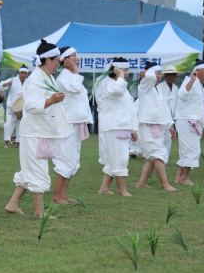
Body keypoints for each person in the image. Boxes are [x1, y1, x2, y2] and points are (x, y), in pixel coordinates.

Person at [5, 40, 72, 217]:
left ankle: (13, 204)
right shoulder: (35, 79)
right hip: (35, 133)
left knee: (29, 170)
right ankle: (39, 213)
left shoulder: (47, 77)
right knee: (39, 171)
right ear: (48, 60)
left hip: (41, 131)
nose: (59, 64)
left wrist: (54, 100)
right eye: (57, 60)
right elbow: (30, 105)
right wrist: (51, 100)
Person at [51, 47, 92, 203]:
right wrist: (75, 69)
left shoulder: (73, 76)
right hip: (66, 124)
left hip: (76, 123)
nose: (78, 58)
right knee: (65, 160)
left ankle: (63, 195)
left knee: (73, 161)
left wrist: (74, 71)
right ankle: (56, 196)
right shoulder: (63, 78)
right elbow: (74, 89)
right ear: (65, 60)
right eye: (74, 56)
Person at [95, 57, 138, 196]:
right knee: (121, 157)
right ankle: (122, 190)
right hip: (113, 126)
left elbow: (130, 109)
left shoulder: (120, 85)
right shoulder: (107, 83)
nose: (126, 73)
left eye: (127, 70)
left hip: (121, 125)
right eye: (123, 70)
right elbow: (116, 92)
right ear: (115, 69)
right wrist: (120, 76)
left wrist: (133, 129)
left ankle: (104, 188)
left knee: (112, 159)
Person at [135, 62, 178, 191]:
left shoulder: (157, 90)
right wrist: (147, 73)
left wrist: (170, 125)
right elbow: (150, 78)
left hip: (157, 126)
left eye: (160, 74)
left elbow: (164, 109)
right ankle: (164, 184)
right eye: (158, 73)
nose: (160, 76)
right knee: (159, 153)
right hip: (147, 126)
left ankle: (141, 183)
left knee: (152, 157)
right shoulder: (144, 86)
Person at [174, 60, 204, 185]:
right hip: (186, 120)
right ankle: (184, 178)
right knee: (192, 150)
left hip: (193, 121)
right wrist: (192, 80)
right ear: (197, 71)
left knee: (187, 149)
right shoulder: (189, 81)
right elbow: (182, 94)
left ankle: (179, 178)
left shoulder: (200, 85)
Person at [1, 66, 29, 147]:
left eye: (25, 73)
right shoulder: (13, 80)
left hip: (22, 106)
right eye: (22, 73)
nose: (23, 75)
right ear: (19, 73)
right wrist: (7, 84)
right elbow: (1, 85)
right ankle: (6, 141)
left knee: (20, 124)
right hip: (12, 105)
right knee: (9, 124)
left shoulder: (28, 82)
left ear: (27, 74)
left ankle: (18, 142)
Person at [158, 65, 181, 159]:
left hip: (170, 117)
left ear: (175, 76)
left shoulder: (175, 88)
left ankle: (164, 158)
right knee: (159, 138)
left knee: (168, 138)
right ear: (165, 76)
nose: (170, 77)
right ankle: (155, 157)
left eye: (172, 75)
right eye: (168, 75)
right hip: (160, 116)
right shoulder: (160, 87)